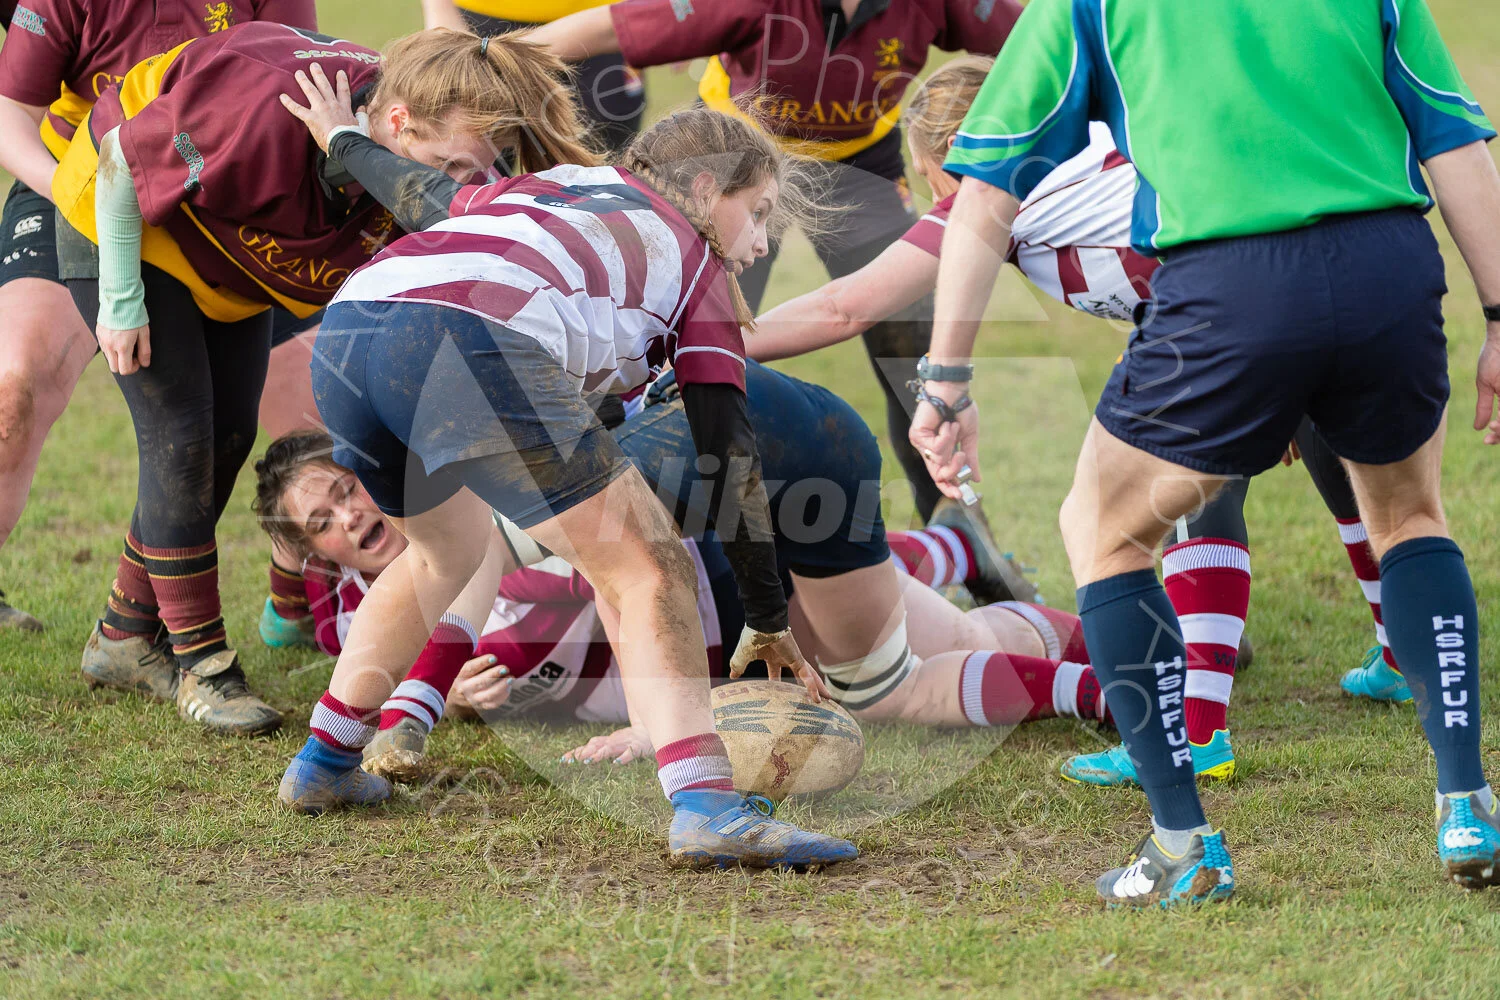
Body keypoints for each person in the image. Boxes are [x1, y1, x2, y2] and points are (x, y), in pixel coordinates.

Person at [919, 0, 1500, 904]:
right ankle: (1466, 800)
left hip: (1230, 286)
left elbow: (986, 191)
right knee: (1412, 518)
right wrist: (1499, 317)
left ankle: (1182, 847)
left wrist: (946, 376)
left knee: (1103, 531)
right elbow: (1456, 144)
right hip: (1389, 263)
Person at [751, 56, 1418, 791]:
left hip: (1238, 295)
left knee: (1183, 495)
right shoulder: (1098, 134)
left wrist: (714, 341)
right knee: (1335, 451)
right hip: (1328, 258)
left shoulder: (988, 188)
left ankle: (1194, 733)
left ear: (953, 157)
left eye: (923, 176)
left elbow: (845, 306)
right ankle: (1402, 652)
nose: (926, 197)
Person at [276, 99, 863, 870]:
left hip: (353, 330)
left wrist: (347, 141)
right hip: (472, 337)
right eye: (757, 214)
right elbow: (732, 461)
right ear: (704, 188)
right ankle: (708, 807)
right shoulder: (696, 265)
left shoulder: (559, 185)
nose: (757, 243)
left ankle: (322, 764)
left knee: (440, 556)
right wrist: (767, 618)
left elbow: (421, 195)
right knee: (650, 566)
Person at [50, 24, 592, 735]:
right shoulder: (261, 107)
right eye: (453, 165)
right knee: (180, 435)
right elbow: (124, 160)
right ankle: (204, 665)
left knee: (230, 436)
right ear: (396, 125)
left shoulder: (407, 135)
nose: (458, 185)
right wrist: (120, 300)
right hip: (120, 223)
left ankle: (123, 633)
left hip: (226, 258)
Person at [250, 412, 1108, 776]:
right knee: (943, 648)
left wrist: (655, 725)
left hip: (717, 595)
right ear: (312, 551)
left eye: (348, 490)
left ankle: (1118, 664)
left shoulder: (475, 517)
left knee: (912, 675)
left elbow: (600, 582)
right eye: (322, 520)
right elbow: (370, 654)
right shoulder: (363, 629)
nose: (349, 518)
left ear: (378, 477)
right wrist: (457, 699)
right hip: (704, 655)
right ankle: (1091, 643)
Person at [527, 0, 1023, 524]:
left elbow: (1043, 43)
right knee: (670, 341)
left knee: (912, 353)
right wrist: (497, 55)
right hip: (736, 162)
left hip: (863, 159)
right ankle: (619, 524)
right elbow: (615, 25)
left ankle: (964, 534)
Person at [0, 0, 318, 635]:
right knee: (12, 388)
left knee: (300, 422)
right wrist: (79, 193)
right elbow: (12, 113)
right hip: (75, 181)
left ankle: (293, 603)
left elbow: (294, 86)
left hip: (223, 202)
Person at [418, 0, 645, 153]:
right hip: (477, 20)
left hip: (605, 23)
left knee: (600, 182)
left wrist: (666, 16)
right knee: (471, 180)